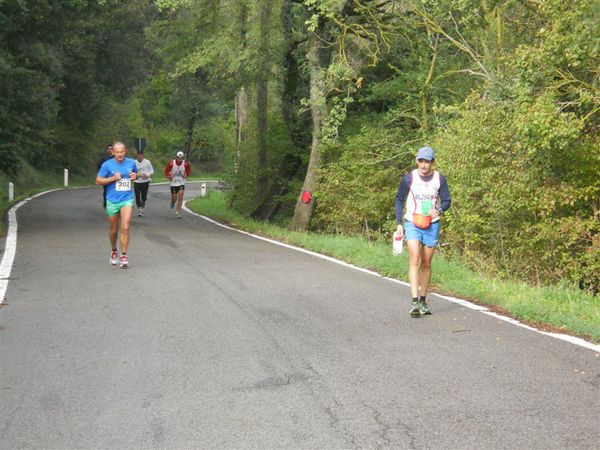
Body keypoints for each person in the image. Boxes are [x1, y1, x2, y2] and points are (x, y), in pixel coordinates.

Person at [395, 146, 451, 316]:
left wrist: (439, 210)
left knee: (426, 263)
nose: (424, 165)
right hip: (412, 221)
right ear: (417, 161)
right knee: (415, 258)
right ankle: (414, 302)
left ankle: (423, 301)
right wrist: (399, 223)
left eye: (427, 161)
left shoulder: (439, 178)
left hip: (431, 224)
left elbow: (447, 200)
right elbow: (399, 199)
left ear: (432, 163)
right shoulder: (409, 178)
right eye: (421, 161)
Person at [96, 141, 138, 268]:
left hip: (127, 199)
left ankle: (124, 255)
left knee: (125, 227)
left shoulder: (131, 163)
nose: (120, 154)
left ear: (125, 152)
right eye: (117, 152)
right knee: (114, 230)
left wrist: (135, 176)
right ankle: (114, 250)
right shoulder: (107, 165)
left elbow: (136, 174)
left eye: (122, 152)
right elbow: (98, 181)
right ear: (113, 152)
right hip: (112, 200)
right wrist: (112, 178)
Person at [164, 150, 191, 218]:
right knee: (174, 198)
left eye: (181, 158)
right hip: (173, 183)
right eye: (178, 157)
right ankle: (173, 202)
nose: (180, 159)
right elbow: (166, 171)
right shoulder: (171, 163)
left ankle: (178, 212)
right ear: (176, 157)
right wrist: (169, 176)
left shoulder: (185, 164)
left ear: (182, 158)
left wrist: (186, 175)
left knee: (181, 196)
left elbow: (188, 170)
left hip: (181, 182)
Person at [133, 149, 154, 217]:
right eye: (138, 155)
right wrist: (135, 175)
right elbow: (131, 171)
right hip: (137, 181)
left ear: (143, 155)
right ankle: (140, 209)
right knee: (137, 196)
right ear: (137, 155)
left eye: (141, 155)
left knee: (144, 196)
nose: (139, 156)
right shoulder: (134, 162)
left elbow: (152, 170)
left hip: (145, 181)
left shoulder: (147, 162)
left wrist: (147, 175)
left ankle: (143, 203)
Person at [96, 144, 113, 209]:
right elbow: (99, 167)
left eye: (111, 149)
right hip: (106, 179)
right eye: (109, 149)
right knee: (106, 191)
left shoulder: (116, 158)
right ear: (107, 150)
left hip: (115, 179)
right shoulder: (104, 159)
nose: (110, 150)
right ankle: (106, 201)